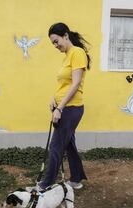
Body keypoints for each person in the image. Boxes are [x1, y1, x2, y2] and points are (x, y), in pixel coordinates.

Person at [38, 22, 91, 190]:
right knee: (68, 144)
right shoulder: (67, 56)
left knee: (55, 146)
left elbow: (75, 84)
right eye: (53, 43)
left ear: (65, 36)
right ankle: (76, 178)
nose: (55, 46)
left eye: (56, 41)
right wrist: (54, 99)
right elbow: (64, 84)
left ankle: (46, 183)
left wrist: (60, 108)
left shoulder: (77, 52)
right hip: (63, 107)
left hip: (71, 108)